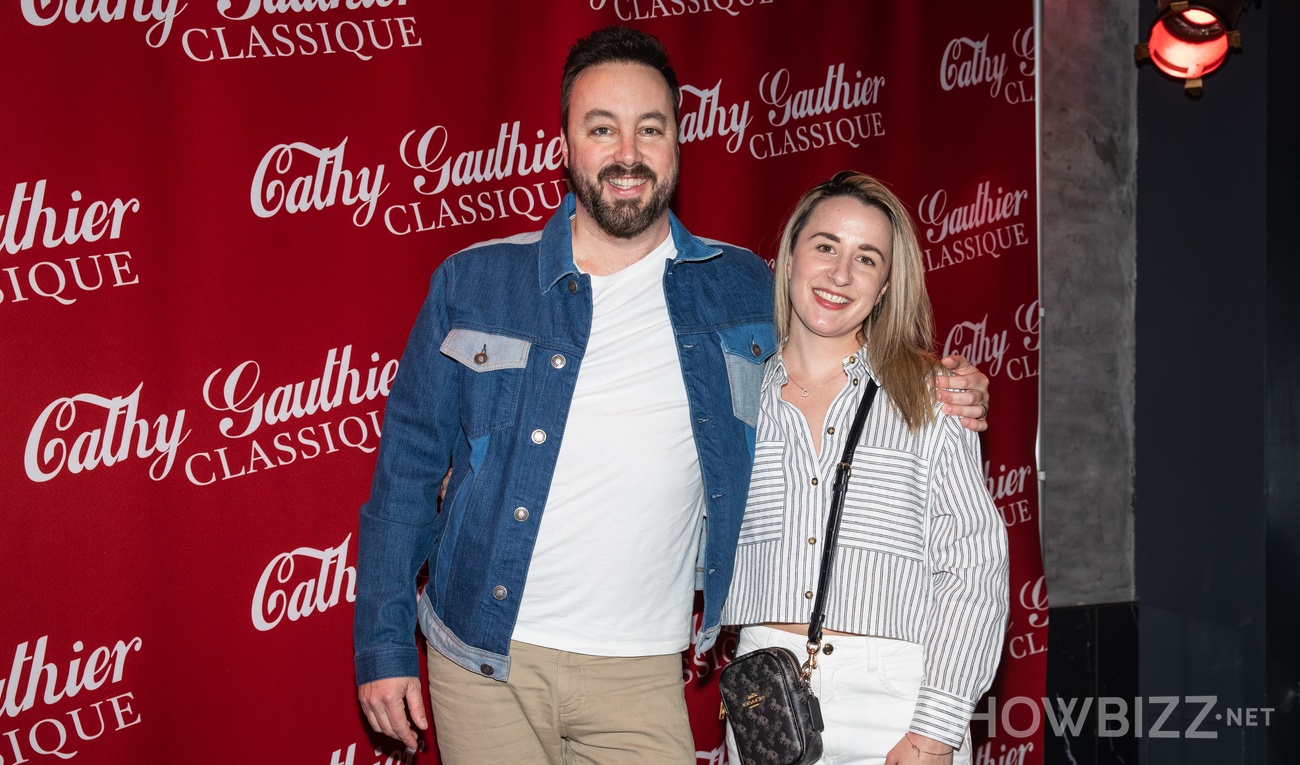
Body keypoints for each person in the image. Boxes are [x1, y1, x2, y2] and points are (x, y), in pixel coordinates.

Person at [353, 27, 992, 765]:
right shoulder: (473, 284)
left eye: (649, 128)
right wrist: (381, 641)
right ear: (564, 144)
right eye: (603, 128)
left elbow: (842, 333)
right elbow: (405, 474)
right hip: (480, 657)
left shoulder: (744, 289)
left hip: (640, 670)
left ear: (679, 143)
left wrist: (938, 378)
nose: (627, 153)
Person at [721, 172, 1009, 765]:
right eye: (825, 246)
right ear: (790, 256)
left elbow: (974, 569)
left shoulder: (932, 397)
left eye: (867, 259)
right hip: (765, 702)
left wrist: (937, 728)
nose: (840, 274)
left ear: (884, 287)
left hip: (898, 703)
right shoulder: (730, 401)